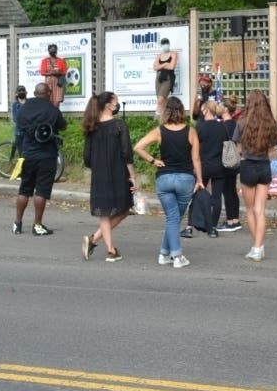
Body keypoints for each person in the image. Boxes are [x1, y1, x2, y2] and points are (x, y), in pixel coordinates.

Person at [134, 96, 202, 268]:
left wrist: (153, 160)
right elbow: (196, 159)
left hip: (164, 178)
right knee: (175, 218)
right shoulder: (191, 131)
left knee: (173, 218)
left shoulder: (159, 130)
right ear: (181, 111)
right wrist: (200, 179)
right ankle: (177, 257)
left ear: (166, 112)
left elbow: (138, 147)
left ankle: (164, 254)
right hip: (185, 179)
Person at [82, 91, 136, 262]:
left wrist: (98, 166)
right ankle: (108, 248)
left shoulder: (92, 127)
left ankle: (98, 242)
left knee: (104, 213)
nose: (117, 105)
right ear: (108, 105)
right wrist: (133, 176)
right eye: (116, 102)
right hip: (118, 173)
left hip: (99, 174)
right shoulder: (119, 125)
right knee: (124, 208)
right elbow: (127, 153)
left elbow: (87, 157)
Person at [232, 90, 277, 261]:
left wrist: (245, 152)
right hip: (264, 166)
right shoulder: (269, 123)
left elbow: (236, 145)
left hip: (247, 166)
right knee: (261, 210)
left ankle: (257, 246)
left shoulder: (242, 122)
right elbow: (272, 147)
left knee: (250, 210)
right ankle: (258, 247)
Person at [13, 82, 67, 235]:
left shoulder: (25, 108)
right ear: (49, 93)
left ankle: (17, 224)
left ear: (35, 93)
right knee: (41, 192)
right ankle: (37, 226)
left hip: (28, 154)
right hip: (47, 156)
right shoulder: (53, 110)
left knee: (24, 190)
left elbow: (19, 124)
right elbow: (63, 126)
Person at [190, 99, 233, 238]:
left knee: (197, 194)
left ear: (206, 110)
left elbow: (193, 146)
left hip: (204, 166)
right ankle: (213, 227)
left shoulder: (200, 127)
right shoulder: (222, 127)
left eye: (203, 109)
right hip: (220, 166)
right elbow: (227, 143)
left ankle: (190, 226)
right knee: (217, 197)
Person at [214, 94, 243, 232]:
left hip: (225, 160)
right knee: (232, 190)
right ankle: (235, 219)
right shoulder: (235, 124)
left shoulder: (222, 126)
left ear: (225, 109)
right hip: (235, 160)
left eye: (220, 105)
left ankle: (230, 221)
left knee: (227, 191)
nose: (218, 108)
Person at [153, 38, 178, 117]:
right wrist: (165, 64)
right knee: (161, 100)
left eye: (166, 43)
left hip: (168, 77)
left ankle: (156, 118)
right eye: (163, 44)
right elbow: (155, 67)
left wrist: (160, 66)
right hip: (159, 77)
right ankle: (167, 116)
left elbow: (171, 67)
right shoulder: (159, 55)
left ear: (169, 44)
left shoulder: (173, 54)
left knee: (161, 99)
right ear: (161, 45)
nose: (165, 45)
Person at [11, 84, 28, 153]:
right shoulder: (15, 105)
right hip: (19, 130)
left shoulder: (29, 103)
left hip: (29, 130)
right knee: (20, 150)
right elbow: (15, 118)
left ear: (26, 92)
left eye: (23, 91)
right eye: (19, 91)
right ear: (16, 94)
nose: (21, 92)